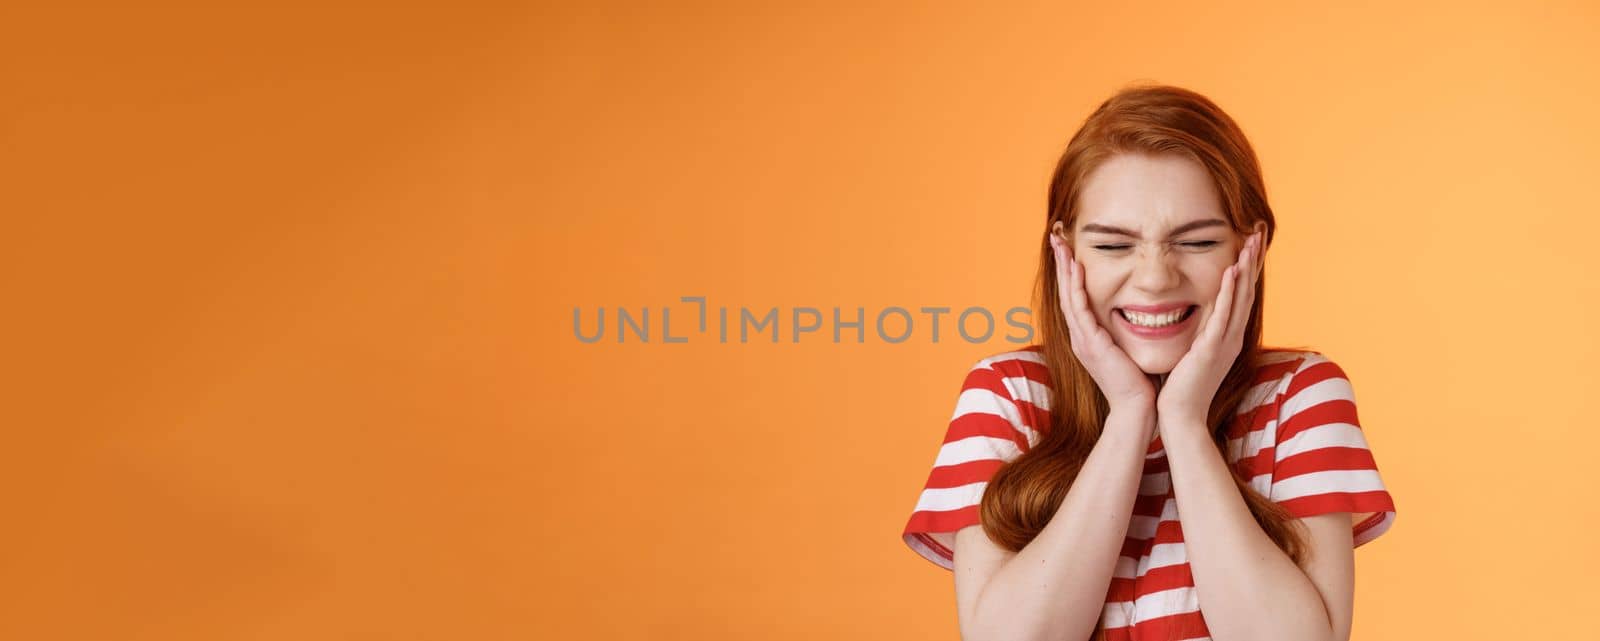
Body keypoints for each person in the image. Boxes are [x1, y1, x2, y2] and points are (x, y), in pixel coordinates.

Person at [900, 84, 1397, 641]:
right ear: (1064, 252)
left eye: (1197, 242)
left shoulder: (1301, 396)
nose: (1156, 278)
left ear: (1250, 249)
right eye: (1113, 246)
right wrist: (1131, 414)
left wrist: (1183, 422)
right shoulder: (1008, 395)